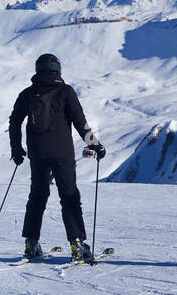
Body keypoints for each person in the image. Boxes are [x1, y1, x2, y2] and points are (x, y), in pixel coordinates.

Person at [8, 53, 106, 262]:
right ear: (58, 70)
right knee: (69, 196)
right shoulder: (66, 92)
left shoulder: (27, 94)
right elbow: (81, 122)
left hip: (37, 153)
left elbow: (14, 122)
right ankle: (77, 244)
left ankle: (30, 243)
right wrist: (95, 145)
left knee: (37, 196)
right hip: (62, 153)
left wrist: (16, 150)